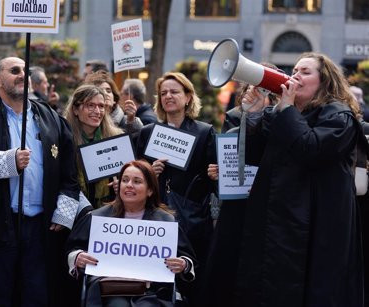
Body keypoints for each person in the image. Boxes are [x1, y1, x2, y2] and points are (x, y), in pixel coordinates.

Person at [231, 52, 365, 307]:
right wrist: (255, 115)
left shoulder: (339, 116)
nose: (296, 76)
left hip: (317, 224)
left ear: (324, 81)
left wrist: (287, 110)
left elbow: (310, 149)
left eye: (305, 72)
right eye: (294, 71)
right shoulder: (280, 112)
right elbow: (252, 154)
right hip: (280, 222)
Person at [0, 57, 81, 307]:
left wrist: (63, 212)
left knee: (37, 295)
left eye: (26, 70)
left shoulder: (49, 117)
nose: (23, 75)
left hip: (41, 228)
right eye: (15, 71)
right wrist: (7, 162)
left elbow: (70, 171)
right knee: (0, 295)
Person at [135, 72, 216, 306]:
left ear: (188, 97)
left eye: (174, 92)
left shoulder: (204, 131)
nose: (168, 96)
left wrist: (215, 175)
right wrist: (150, 171)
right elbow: (136, 173)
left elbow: (212, 180)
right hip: (156, 218)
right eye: (163, 93)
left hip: (192, 220)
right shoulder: (148, 132)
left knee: (191, 281)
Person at [66, 160, 196, 306]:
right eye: (125, 180)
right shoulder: (97, 218)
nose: (129, 185)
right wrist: (77, 257)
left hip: (153, 289)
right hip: (108, 288)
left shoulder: (165, 221)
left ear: (150, 190)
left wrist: (183, 264)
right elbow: (71, 249)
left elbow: (187, 258)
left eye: (137, 181)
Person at [204, 71, 279, 306]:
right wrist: (217, 177)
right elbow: (222, 183)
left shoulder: (280, 129)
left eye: (261, 91)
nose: (253, 95)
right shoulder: (232, 129)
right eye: (249, 90)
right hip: (236, 211)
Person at [64, 84, 123, 209]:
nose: (97, 111)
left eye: (101, 106)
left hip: (109, 210)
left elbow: (128, 175)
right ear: (75, 109)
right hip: (77, 212)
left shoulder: (116, 137)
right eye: (90, 105)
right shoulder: (65, 139)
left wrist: (122, 183)